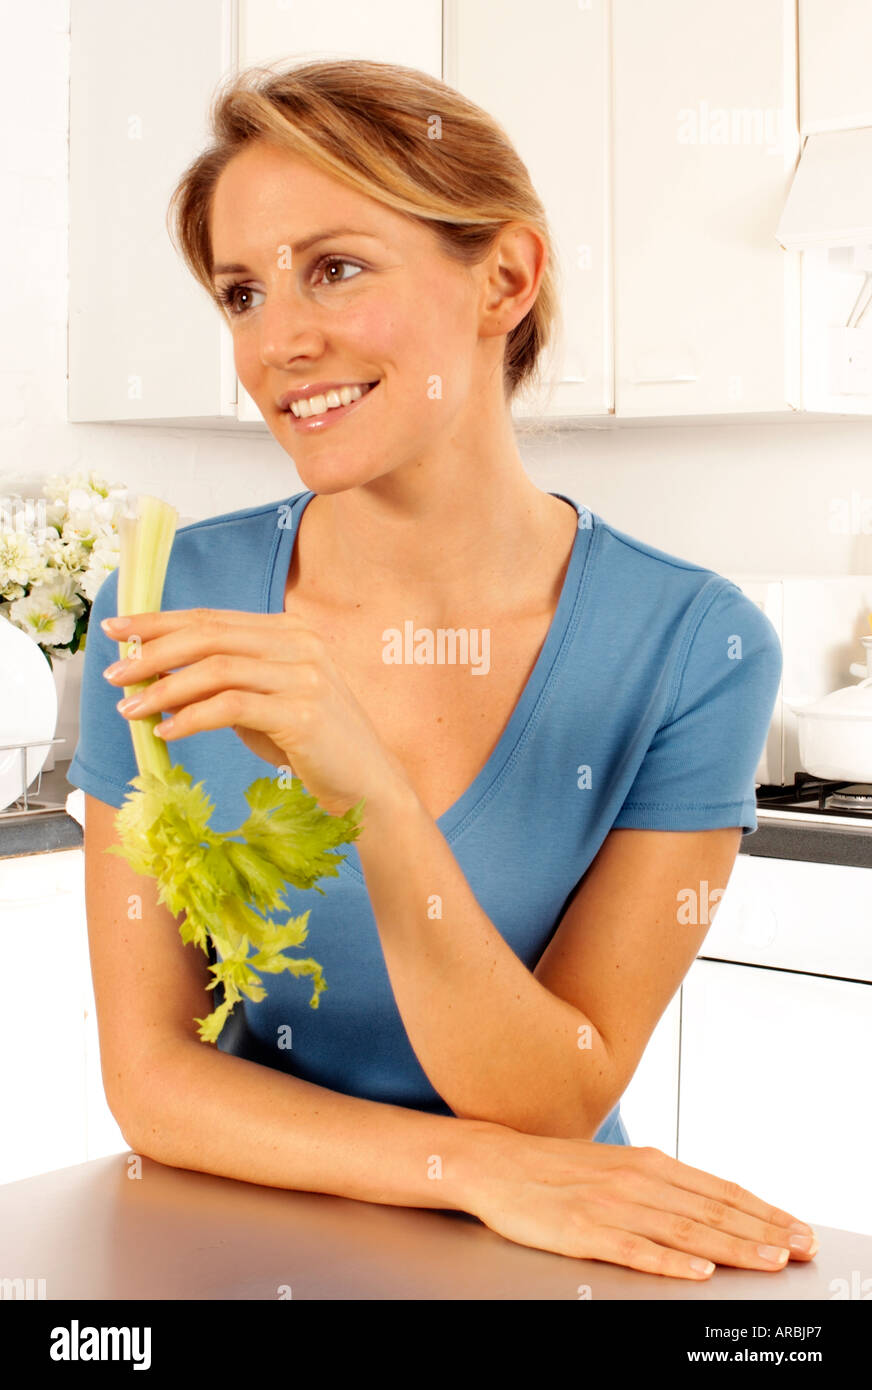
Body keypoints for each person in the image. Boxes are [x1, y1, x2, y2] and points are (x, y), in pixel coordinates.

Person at [68, 58, 817, 1281]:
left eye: (337, 267)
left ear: (504, 278)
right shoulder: (162, 606)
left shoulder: (693, 644)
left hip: (542, 1264)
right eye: (242, 292)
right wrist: (459, 1168)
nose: (279, 344)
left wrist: (369, 790)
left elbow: (551, 1106)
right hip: (243, 1240)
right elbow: (151, 1078)